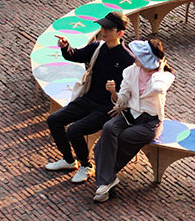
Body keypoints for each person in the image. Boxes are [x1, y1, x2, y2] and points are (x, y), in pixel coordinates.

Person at [44, 10, 134, 181]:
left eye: (108, 29)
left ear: (120, 33)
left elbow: (134, 88)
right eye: (103, 27)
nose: (103, 31)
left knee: (74, 130)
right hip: (88, 99)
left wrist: (121, 104)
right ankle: (69, 160)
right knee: (54, 120)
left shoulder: (127, 59)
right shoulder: (97, 47)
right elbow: (75, 55)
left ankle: (86, 165)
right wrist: (65, 46)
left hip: (107, 108)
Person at [92, 36, 175, 202]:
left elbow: (158, 89)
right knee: (108, 128)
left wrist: (159, 71)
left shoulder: (164, 76)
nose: (135, 57)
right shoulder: (130, 71)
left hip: (150, 122)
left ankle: (105, 180)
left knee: (113, 142)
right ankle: (107, 181)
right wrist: (114, 93)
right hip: (129, 114)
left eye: (139, 56)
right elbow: (122, 99)